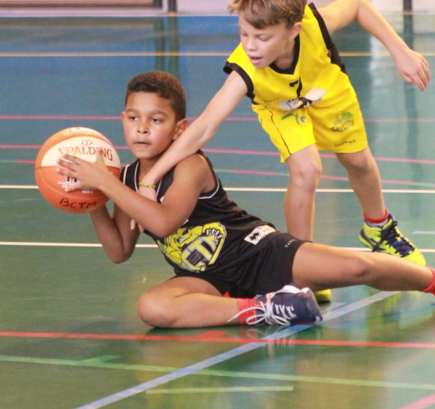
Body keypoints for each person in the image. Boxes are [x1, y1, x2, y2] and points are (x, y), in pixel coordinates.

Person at [136, 0, 431, 304]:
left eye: (262, 38)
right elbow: (203, 127)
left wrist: (401, 51)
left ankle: (379, 228)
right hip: (280, 107)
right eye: (244, 33)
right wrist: (151, 179)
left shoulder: (315, 25)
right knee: (306, 169)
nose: (250, 46)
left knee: (358, 161)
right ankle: (301, 270)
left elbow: (359, 5)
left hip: (326, 89)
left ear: (294, 29)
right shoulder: (246, 69)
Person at [55, 71, 435, 329]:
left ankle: (431, 281)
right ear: (122, 118)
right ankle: (270, 308)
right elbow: (119, 250)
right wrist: (93, 197)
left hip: (260, 253)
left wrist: (106, 183)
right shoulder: (125, 181)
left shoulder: (190, 165)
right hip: (207, 279)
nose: (141, 128)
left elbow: (165, 222)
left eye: (156, 120)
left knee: (359, 268)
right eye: (133, 118)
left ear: (179, 128)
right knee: (152, 307)